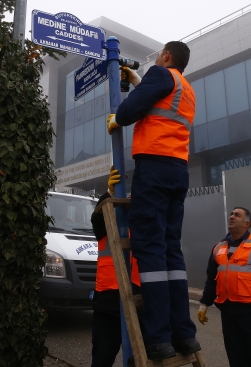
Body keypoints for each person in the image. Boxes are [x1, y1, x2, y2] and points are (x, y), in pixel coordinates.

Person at [106, 41, 198, 360]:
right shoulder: (186, 88)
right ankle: (184, 335)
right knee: (171, 249)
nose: (157, 58)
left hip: (155, 167)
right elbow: (155, 99)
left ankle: (158, 338)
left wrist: (118, 117)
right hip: (178, 170)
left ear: (167, 56)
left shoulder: (161, 74)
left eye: (159, 54)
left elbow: (133, 110)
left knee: (149, 247)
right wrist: (135, 81)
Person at [198, 207, 251, 367]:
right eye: (231, 214)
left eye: (237, 215)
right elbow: (212, 279)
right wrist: (204, 303)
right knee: (236, 357)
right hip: (228, 313)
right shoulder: (218, 247)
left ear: (247, 224)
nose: (232, 217)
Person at [90, 167, 141, 367]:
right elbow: (97, 217)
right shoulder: (108, 221)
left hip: (137, 299)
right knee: (102, 357)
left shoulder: (143, 225)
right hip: (108, 301)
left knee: (136, 359)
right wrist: (109, 194)